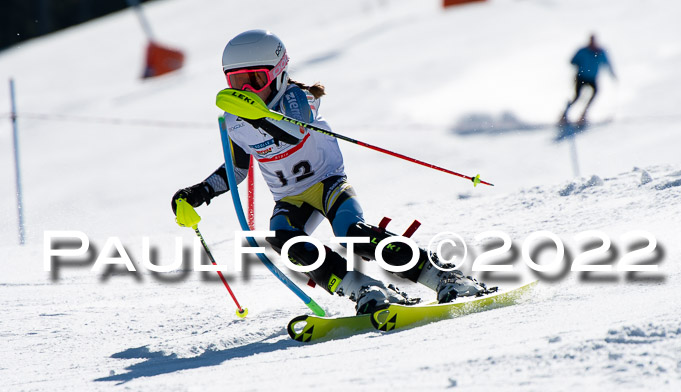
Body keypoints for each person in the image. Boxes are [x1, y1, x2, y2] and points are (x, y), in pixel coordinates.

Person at [171, 29, 487, 315]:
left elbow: (295, 131)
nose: (248, 91)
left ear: (279, 74)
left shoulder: (297, 97)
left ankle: (444, 275)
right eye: (237, 83)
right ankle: (363, 289)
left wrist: (258, 117)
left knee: (352, 233)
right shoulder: (235, 121)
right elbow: (238, 169)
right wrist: (199, 192)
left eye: (256, 80)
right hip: (291, 198)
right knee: (284, 239)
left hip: (327, 183)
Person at [561, 34, 616, 123]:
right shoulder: (583, 51)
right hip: (581, 77)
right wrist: (578, 63)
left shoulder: (600, 52)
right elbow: (572, 61)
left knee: (594, 94)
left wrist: (612, 75)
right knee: (577, 96)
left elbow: (607, 63)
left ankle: (583, 115)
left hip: (592, 78)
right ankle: (564, 114)